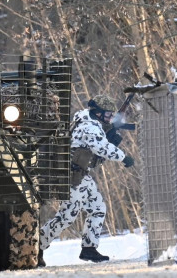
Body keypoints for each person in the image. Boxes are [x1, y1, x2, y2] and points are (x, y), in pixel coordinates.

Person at [39, 95, 134, 265]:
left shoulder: (87, 121)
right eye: (107, 114)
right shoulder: (89, 126)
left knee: (98, 208)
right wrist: (124, 157)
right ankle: (36, 247)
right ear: (97, 113)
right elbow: (102, 147)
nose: (110, 117)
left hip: (81, 174)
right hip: (72, 176)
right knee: (67, 216)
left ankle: (89, 248)